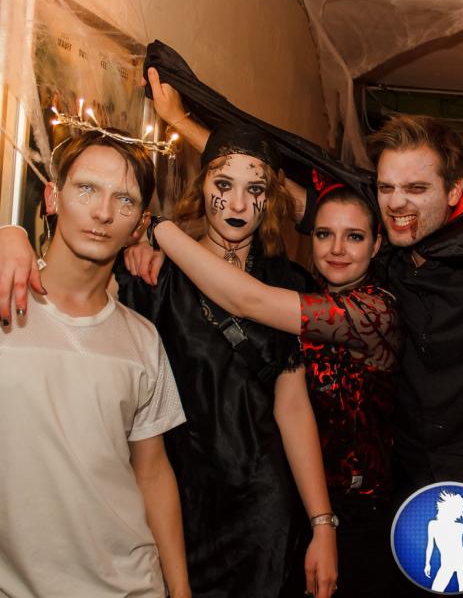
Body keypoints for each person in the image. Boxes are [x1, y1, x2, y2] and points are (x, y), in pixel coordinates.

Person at [0, 124, 337, 598]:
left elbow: (293, 406)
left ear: (271, 199)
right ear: (201, 187)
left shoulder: (288, 283)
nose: (238, 204)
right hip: (180, 501)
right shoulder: (152, 274)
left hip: (261, 507)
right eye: (224, 185)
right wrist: (11, 234)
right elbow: (73, 303)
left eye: (255, 190)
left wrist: (322, 522)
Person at [131, 181, 402, 598]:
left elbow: (248, 300)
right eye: (324, 234)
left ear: (377, 244)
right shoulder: (300, 290)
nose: (337, 249)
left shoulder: (375, 312)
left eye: (355, 236)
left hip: (356, 515)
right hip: (294, 505)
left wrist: (160, 231)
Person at [0, 131, 190, 597]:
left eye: (124, 200)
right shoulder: (4, 301)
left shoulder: (142, 340)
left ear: (139, 225)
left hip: (131, 586)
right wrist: (8, 231)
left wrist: (181, 591)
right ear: (52, 197)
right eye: (86, 189)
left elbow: (152, 474)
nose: (103, 213)